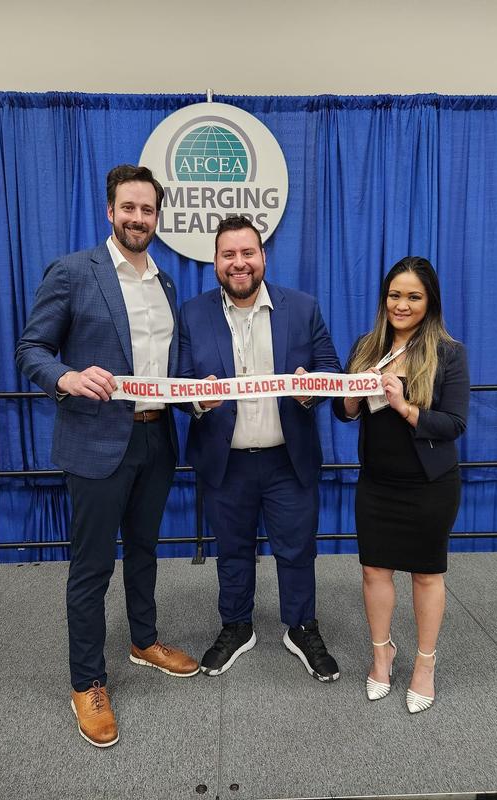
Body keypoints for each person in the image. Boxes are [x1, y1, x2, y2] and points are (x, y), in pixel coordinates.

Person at [15, 164, 198, 749]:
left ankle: (143, 640)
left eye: (148, 210)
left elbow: (167, 369)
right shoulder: (73, 272)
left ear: (157, 217)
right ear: (110, 211)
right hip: (95, 442)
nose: (138, 218)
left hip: (156, 440)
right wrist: (66, 377)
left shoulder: (166, 286)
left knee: (144, 550)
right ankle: (86, 682)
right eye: (129, 208)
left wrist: (196, 396)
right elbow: (30, 349)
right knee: (91, 567)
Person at [179, 215, 341, 682]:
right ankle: (236, 625)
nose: (239, 263)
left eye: (247, 252)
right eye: (228, 254)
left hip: (287, 459)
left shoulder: (303, 307)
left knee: (296, 550)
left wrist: (312, 389)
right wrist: (197, 400)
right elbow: (180, 382)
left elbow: (329, 367)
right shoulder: (193, 312)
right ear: (214, 262)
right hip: (225, 460)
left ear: (263, 256)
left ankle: (301, 627)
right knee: (231, 551)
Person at [333, 256, 469, 713]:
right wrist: (351, 393)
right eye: (395, 295)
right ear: (383, 298)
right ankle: (382, 655)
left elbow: (453, 424)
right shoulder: (367, 345)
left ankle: (425, 665)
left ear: (429, 302)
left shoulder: (449, 353)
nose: (402, 304)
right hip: (377, 484)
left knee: (427, 575)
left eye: (413, 296)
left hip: (430, 486)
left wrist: (404, 405)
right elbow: (345, 413)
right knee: (374, 571)